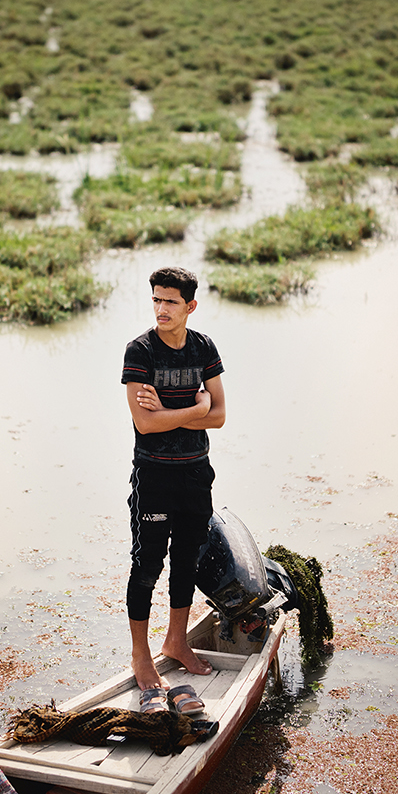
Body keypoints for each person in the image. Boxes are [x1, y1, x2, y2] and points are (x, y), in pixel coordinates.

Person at [120, 266, 226, 695]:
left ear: (190, 306)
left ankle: (176, 641)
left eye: (171, 302)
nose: (162, 309)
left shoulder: (203, 347)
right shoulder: (140, 352)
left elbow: (220, 416)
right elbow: (144, 425)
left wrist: (172, 412)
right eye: (156, 300)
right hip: (155, 475)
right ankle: (141, 657)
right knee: (147, 566)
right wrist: (194, 410)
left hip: (196, 472)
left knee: (187, 561)